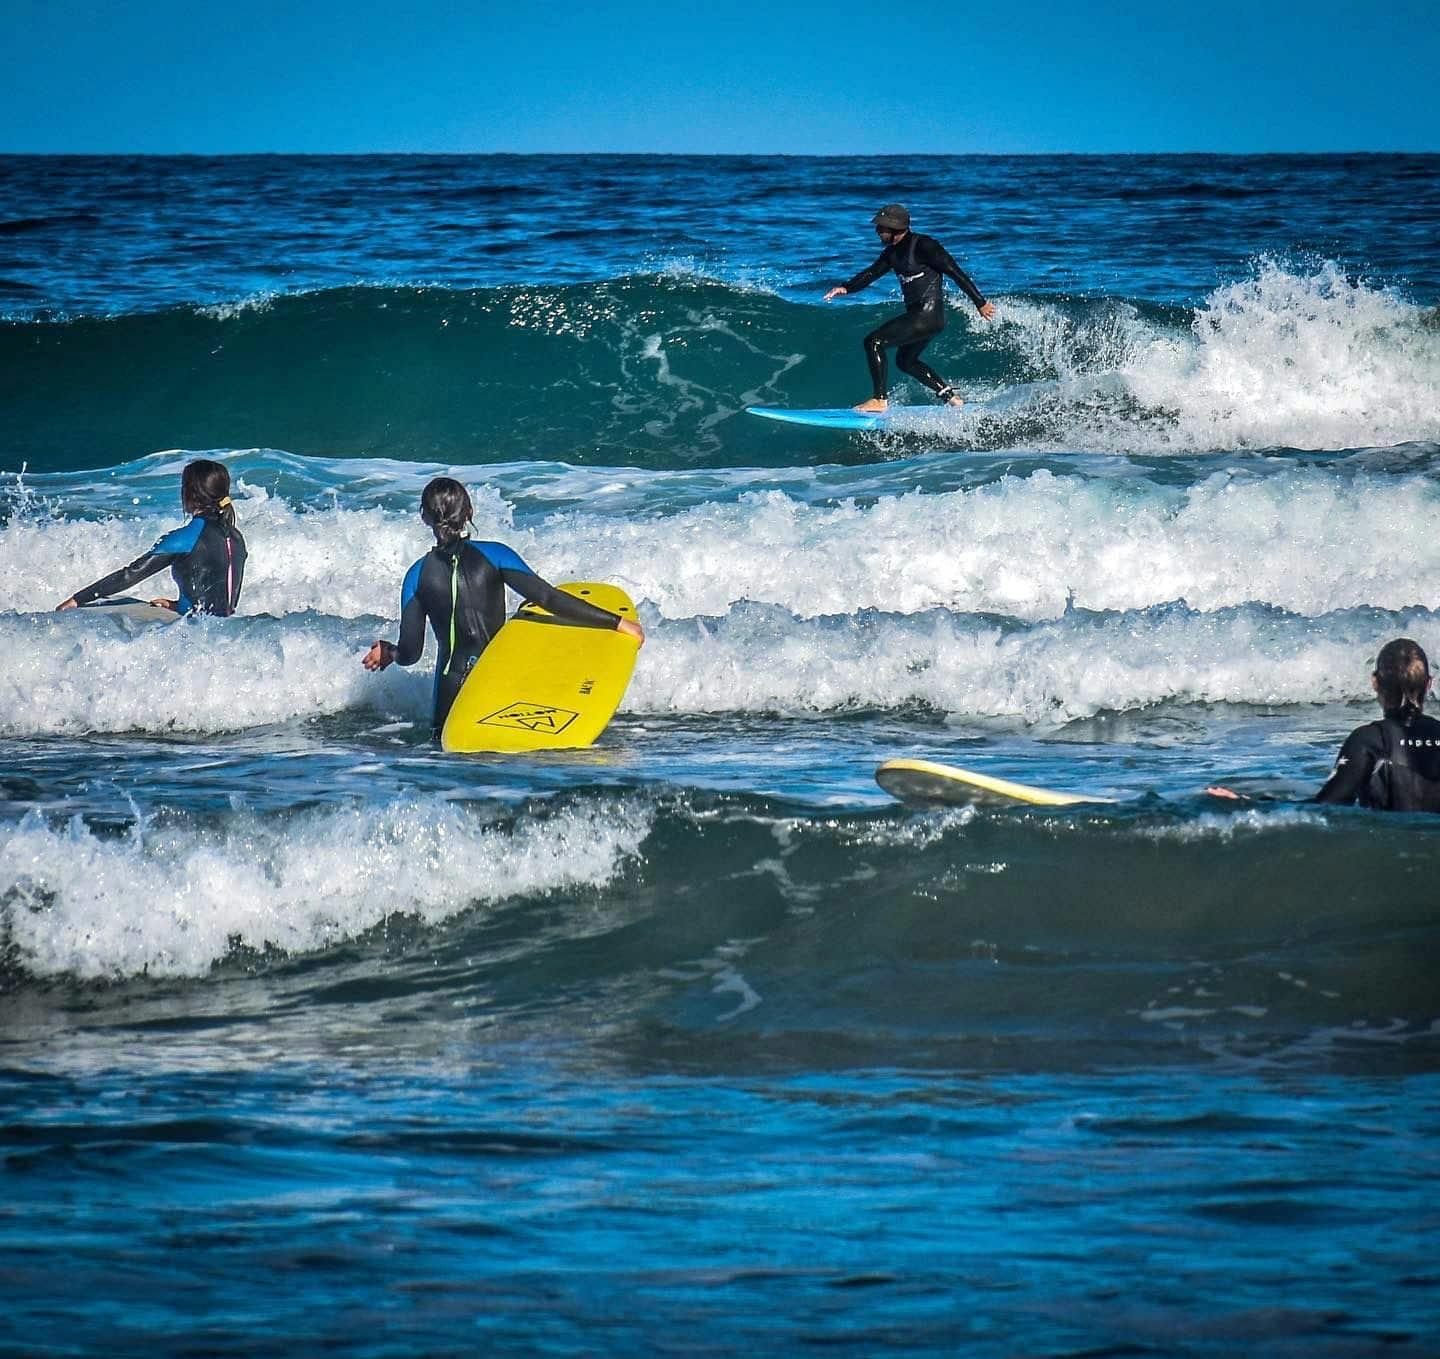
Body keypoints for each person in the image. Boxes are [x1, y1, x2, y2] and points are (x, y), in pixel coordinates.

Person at [363, 476, 645, 739]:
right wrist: (617, 622)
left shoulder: (416, 575)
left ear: (423, 516)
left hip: (452, 688)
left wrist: (389, 652)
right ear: (469, 512)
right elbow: (549, 598)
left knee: (448, 754)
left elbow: (411, 653)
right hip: (498, 678)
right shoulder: (495, 554)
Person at [1208, 638, 1440, 811]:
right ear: (1429, 683)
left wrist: (1250, 804)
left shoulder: (1369, 740)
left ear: (1375, 683)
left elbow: (1329, 806)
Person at [823, 203, 996, 414]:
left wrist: (980, 302)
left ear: (894, 227)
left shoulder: (925, 245)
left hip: (927, 316)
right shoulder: (892, 253)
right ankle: (952, 398)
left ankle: (879, 400)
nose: (877, 231)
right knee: (905, 361)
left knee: (873, 342)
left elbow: (954, 271)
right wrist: (846, 288)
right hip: (922, 317)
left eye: (881, 227)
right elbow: (871, 274)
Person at [56, 458, 246, 616]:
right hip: (224, 637)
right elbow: (218, 604)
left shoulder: (186, 537)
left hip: (193, 636)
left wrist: (77, 599)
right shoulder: (236, 538)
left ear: (190, 494)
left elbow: (130, 575)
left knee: (108, 604)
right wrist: (176, 606)